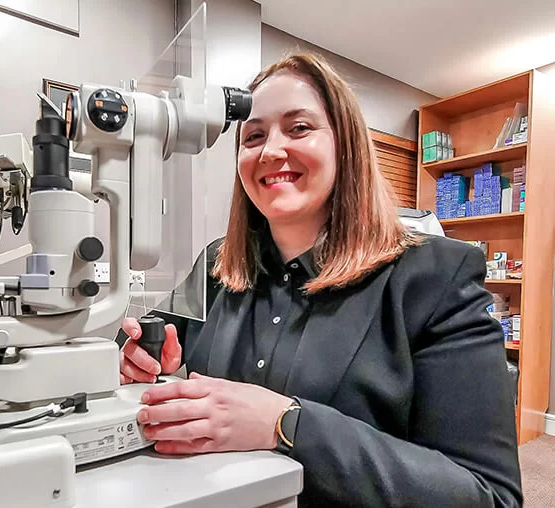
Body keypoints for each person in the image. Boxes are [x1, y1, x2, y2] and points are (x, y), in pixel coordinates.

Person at [117, 53, 523, 507]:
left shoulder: (436, 277)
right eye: (253, 136)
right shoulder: (216, 264)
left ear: (345, 146)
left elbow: (488, 496)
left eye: (299, 128)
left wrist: (287, 424)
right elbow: (142, 344)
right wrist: (142, 355)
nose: (270, 150)